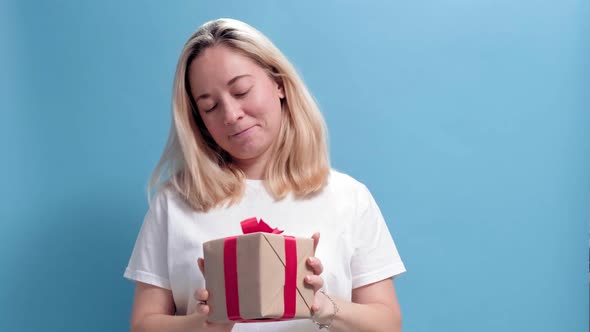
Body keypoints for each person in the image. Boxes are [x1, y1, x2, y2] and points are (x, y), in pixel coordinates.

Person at [124, 18, 406, 332]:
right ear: (197, 121)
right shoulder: (174, 203)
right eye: (210, 106)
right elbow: (143, 325)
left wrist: (323, 306)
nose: (231, 115)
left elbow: (388, 324)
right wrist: (204, 324)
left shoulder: (348, 197)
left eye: (241, 91)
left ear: (279, 84)